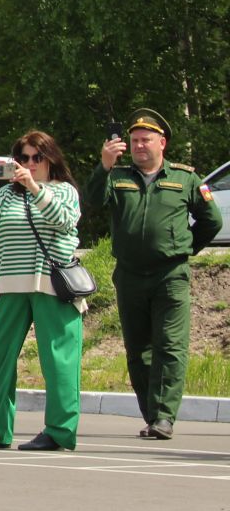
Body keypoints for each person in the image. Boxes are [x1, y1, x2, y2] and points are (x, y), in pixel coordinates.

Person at [86, 108, 222, 440]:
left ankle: (164, 417)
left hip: (170, 275)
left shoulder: (186, 178)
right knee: (138, 349)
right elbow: (90, 202)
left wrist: (185, 249)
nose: (139, 146)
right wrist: (103, 165)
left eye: (146, 140)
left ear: (162, 143)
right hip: (130, 275)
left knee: (170, 346)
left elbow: (212, 221)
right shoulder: (118, 177)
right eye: (134, 141)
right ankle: (152, 416)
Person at [0, 131, 85, 451]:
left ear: (51, 159)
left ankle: (59, 431)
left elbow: (64, 220)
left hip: (52, 285)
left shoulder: (65, 191)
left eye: (36, 157)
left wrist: (33, 187)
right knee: (0, 357)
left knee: (58, 361)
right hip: (10, 284)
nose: (30, 164)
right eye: (23, 158)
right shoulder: (7, 195)